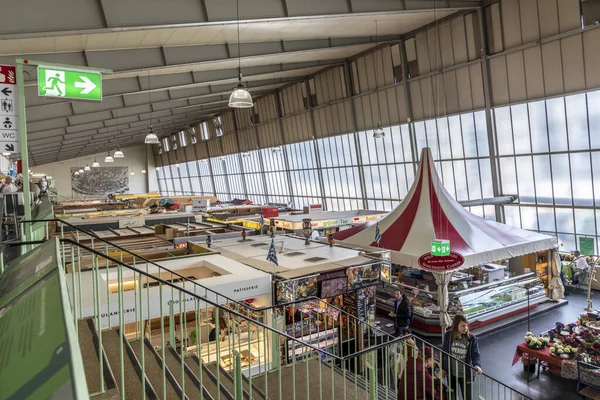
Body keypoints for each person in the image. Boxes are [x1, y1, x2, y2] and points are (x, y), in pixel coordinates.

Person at [442, 315, 483, 400]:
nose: (466, 328)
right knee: (452, 396)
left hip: (466, 374)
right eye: (463, 326)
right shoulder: (448, 335)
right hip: (451, 373)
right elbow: (444, 352)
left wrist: (477, 365)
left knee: (468, 397)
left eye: (467, 325)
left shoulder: (472, 339)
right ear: (456, 325)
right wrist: (443, 368)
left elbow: (476, 354)